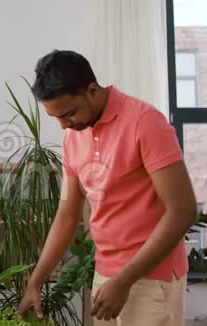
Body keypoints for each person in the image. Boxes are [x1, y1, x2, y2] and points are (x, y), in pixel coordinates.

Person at [18, 49, 197, 326]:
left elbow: (182, 211)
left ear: (91, 90)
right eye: (56, 118)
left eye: (69, 113)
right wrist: (36, 280)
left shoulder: (145, 122)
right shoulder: (73, 139)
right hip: (106, 276)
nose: (64, 125)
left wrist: (124, 280)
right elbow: (67, 213)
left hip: (150, 278)